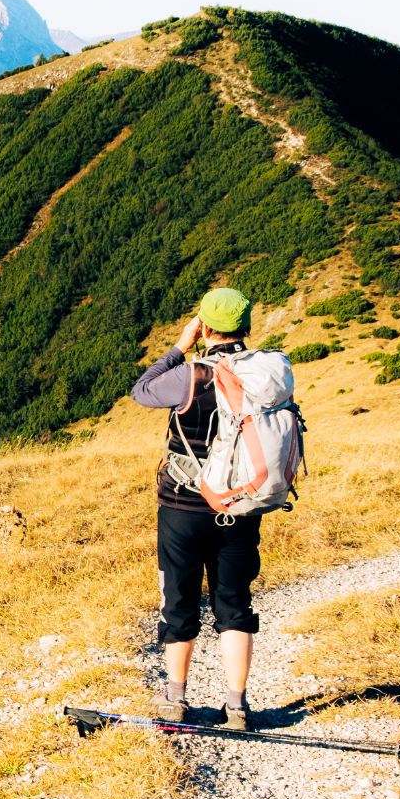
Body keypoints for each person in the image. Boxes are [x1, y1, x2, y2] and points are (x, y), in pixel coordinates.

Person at [128, 287, 263, 731]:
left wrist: (179, 347)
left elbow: (141, 390)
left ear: (204, 327)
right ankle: (237, 706)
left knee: (180, 601)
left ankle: (176, 699)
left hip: (183, 508)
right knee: (234, 604)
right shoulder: (264, 375)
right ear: (246, 327)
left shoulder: (190, 376)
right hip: (241, 507)